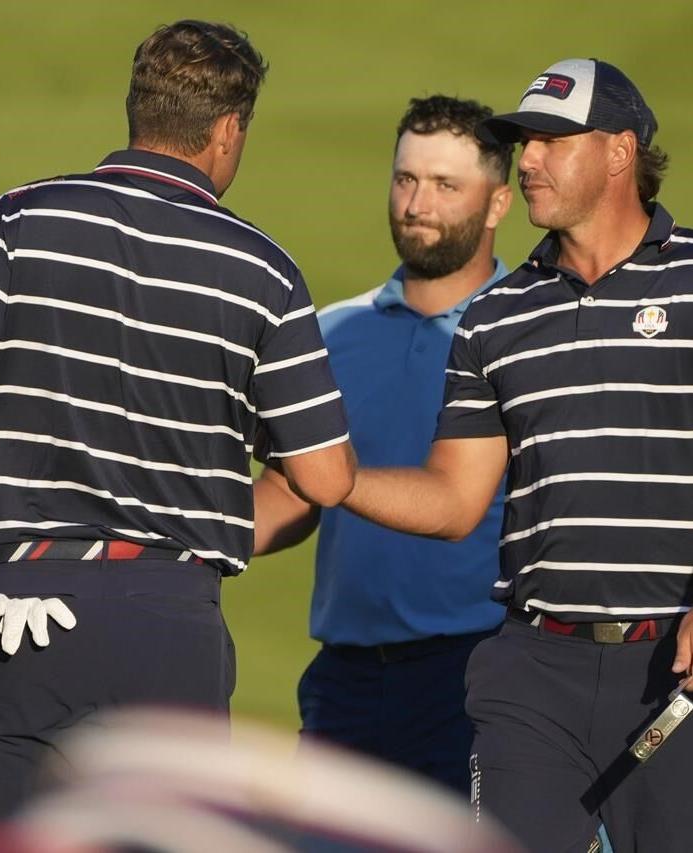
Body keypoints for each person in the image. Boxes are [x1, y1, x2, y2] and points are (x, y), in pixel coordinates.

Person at [0, 19, 355, 836]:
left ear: (134, 108)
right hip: (170, 619)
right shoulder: (265, 268)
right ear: (227, 132)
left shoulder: (18, 219)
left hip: (22, 612)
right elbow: (324, 478)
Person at [336, 58, 693, 853]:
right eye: (522, 140)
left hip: (671, 665)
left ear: (618, 151)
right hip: (534, 671)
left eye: (551, 140)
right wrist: (341, 478)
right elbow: (456, 498)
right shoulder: (496, 316)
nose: (526, 159)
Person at [254, 95, 512, 794]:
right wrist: (181, 526)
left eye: (444, 185)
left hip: (480, 678)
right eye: (404, 179)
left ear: (497, 205)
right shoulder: (327, 335)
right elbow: (288, 491)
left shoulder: (532, 337)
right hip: (344, 685)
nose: (416, 203)